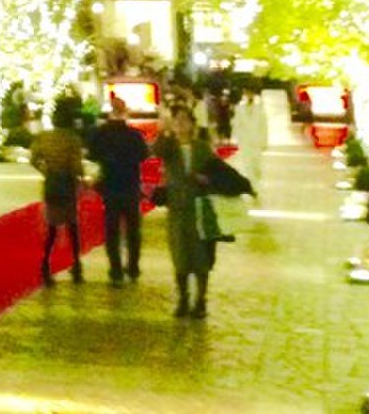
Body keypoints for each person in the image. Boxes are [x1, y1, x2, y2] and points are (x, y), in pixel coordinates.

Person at [152, 102, 255, 318]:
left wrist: (205, 179)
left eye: (185, 120)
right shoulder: (170, 146)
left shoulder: (201, 147)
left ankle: (200, 300)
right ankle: (182, 299)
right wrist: (166, 129)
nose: (181, 124)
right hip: (178, 210)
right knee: (180, 258)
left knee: (202, 259)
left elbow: (217, 171)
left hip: (200, 208)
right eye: (177, 120)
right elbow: (156, 151)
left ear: (192, 124)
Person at [83, 94, 149, 283]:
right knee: (133, 230)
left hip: (110, 186)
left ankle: (116, 269)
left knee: (112, 230)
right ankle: (133, 267)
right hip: (130, 185)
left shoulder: (101, 135)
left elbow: (92, 155)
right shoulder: (134, 135)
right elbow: (143, 155)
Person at [27, 93, 86, 285]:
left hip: (52, 183)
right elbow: (77, 166)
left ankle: (45, 265)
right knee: (72, 227)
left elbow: (33, 159)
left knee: (52, 229)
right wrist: (82, 179)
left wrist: (46, 170)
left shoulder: (45, 137)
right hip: (67, 184)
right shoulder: (73, 139)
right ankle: (76, 266)